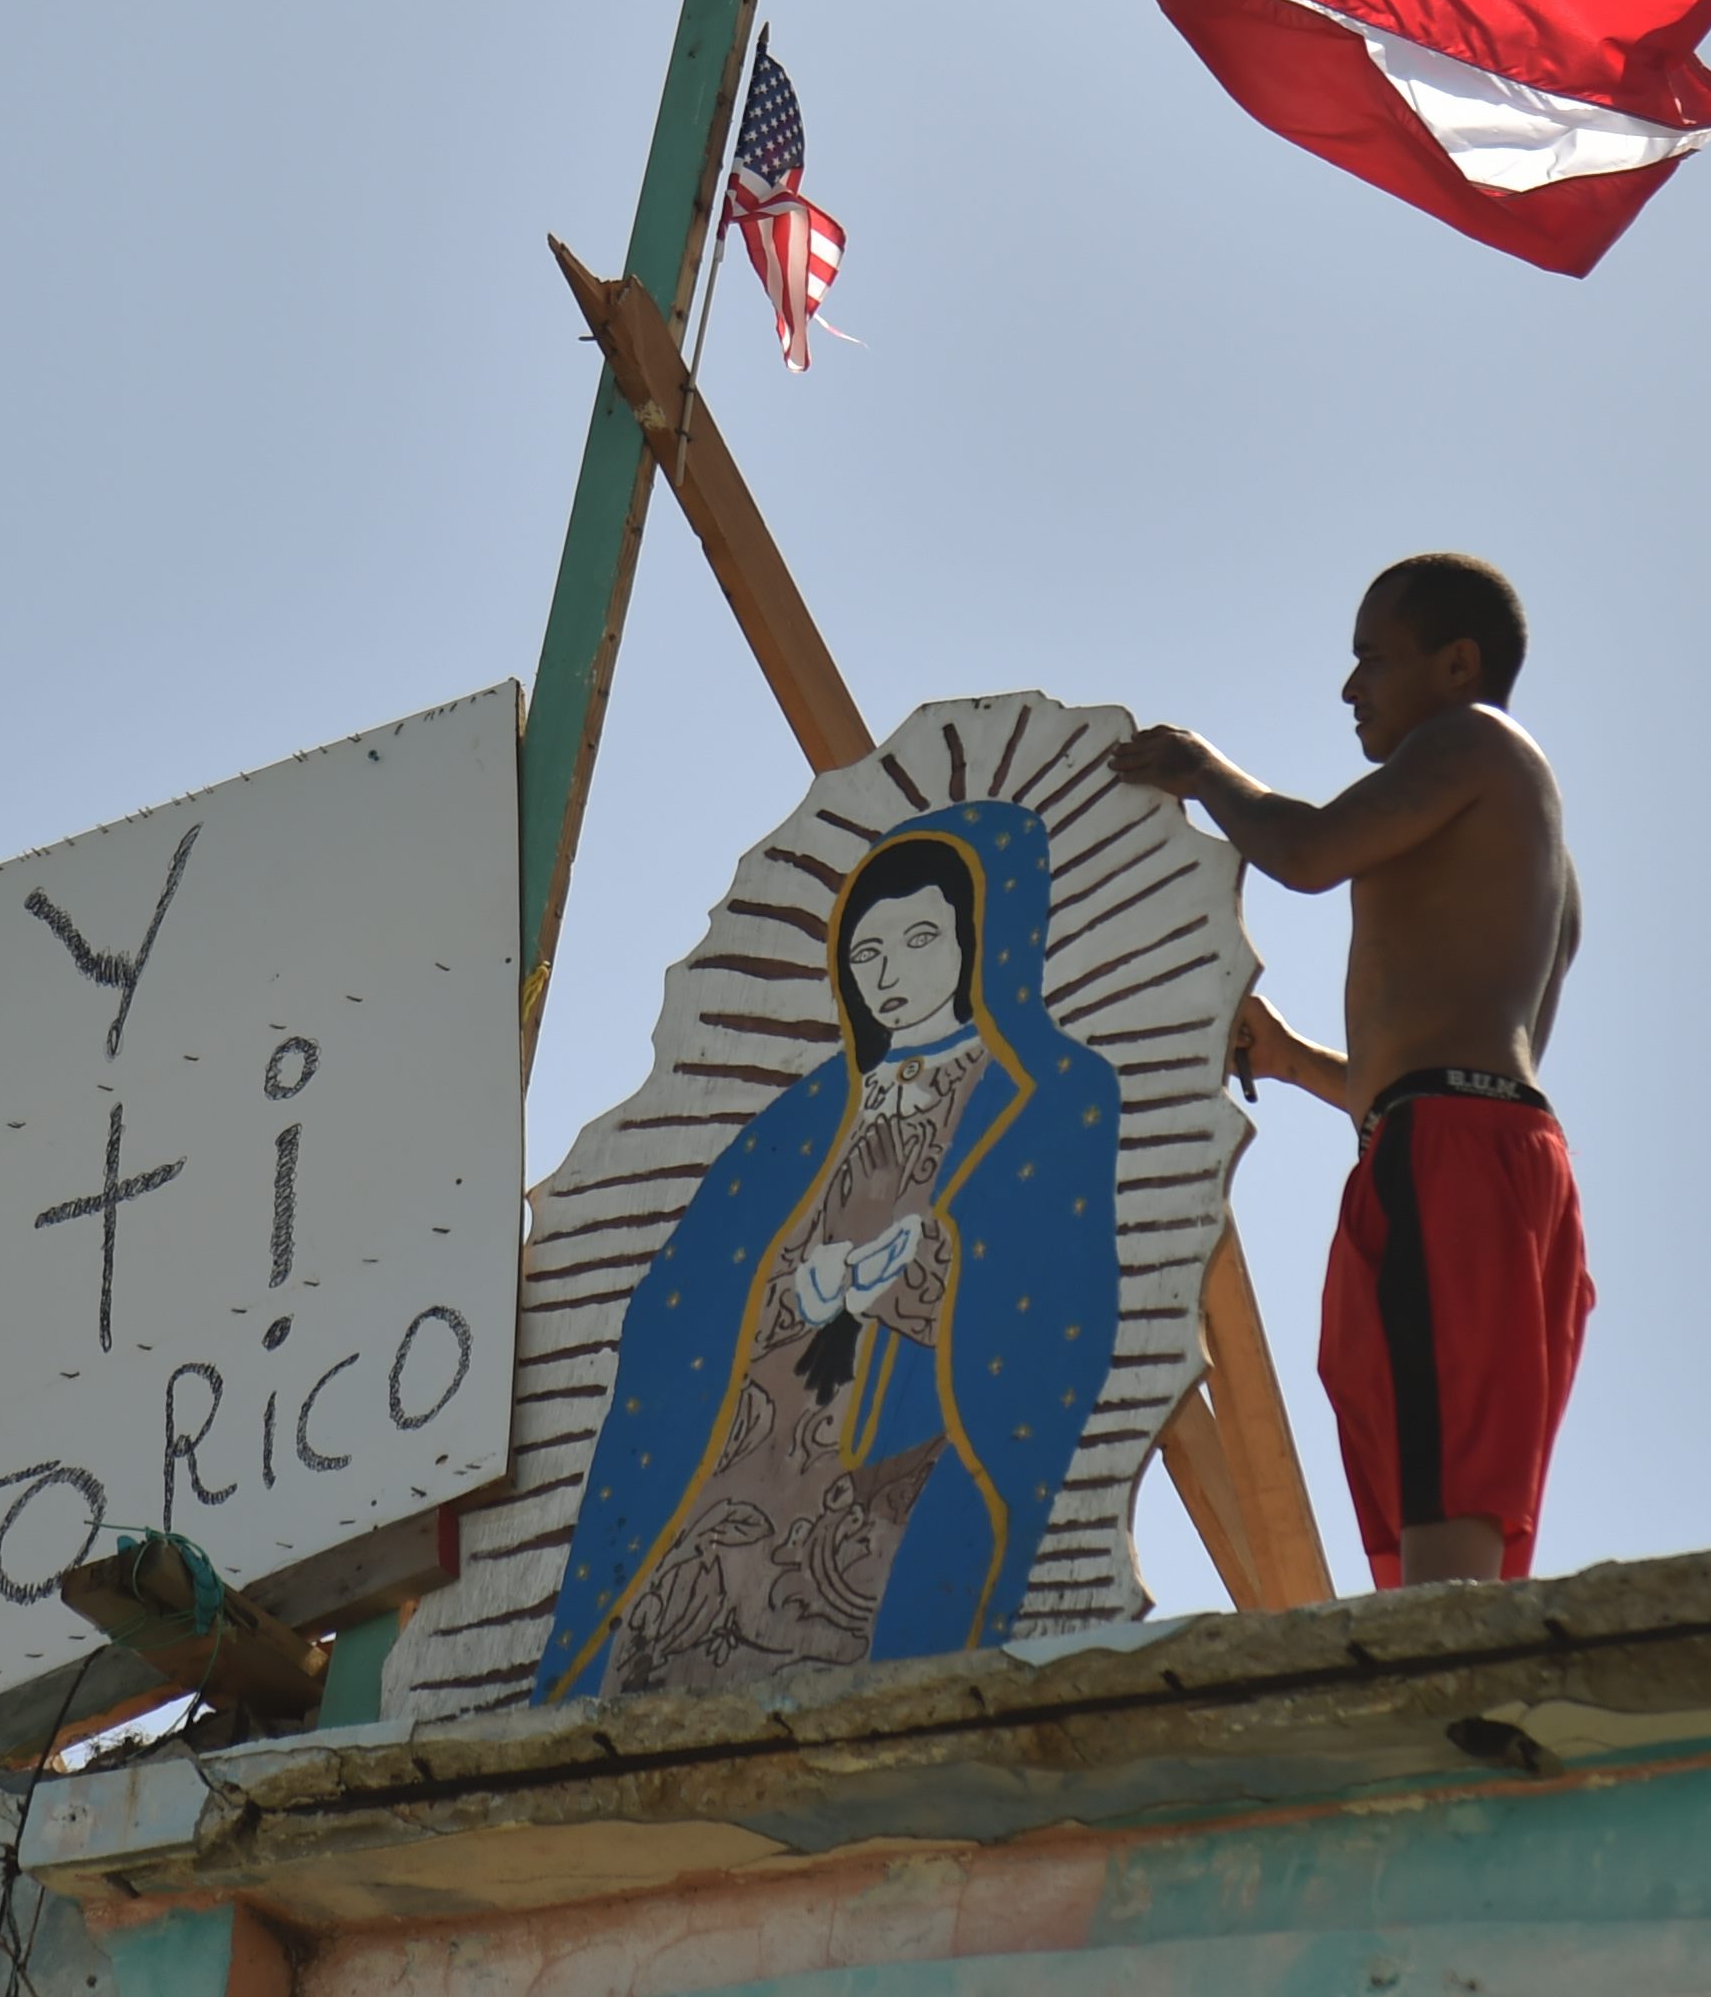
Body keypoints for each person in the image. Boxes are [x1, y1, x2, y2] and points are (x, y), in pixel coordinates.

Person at [528, 797, 1122, 1699]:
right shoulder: (804, 1119)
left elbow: (1058, 1313)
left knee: (844, 1688)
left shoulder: (1047, 1097)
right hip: (745, 1461)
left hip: (897, 1468)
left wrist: (922, 1278)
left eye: (922, 939)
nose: (892, 973)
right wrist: (795, 1291)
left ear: (981, 939)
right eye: (869, 952)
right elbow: (676, 1301)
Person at [1109, 554, 1592, 1588]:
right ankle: (1442, 1672)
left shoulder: (1474, 743)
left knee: (1445, 1486)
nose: (1349, 687)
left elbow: (1309, 850)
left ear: (1456, 663)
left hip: (1452, 1160)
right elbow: (1443, 1065)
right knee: (1424, 1471)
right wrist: (1288, 1062)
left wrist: (1201, 768)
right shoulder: (1517, 841)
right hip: (1447, 1139)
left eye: (1372, 657)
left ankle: (1441, 1694)